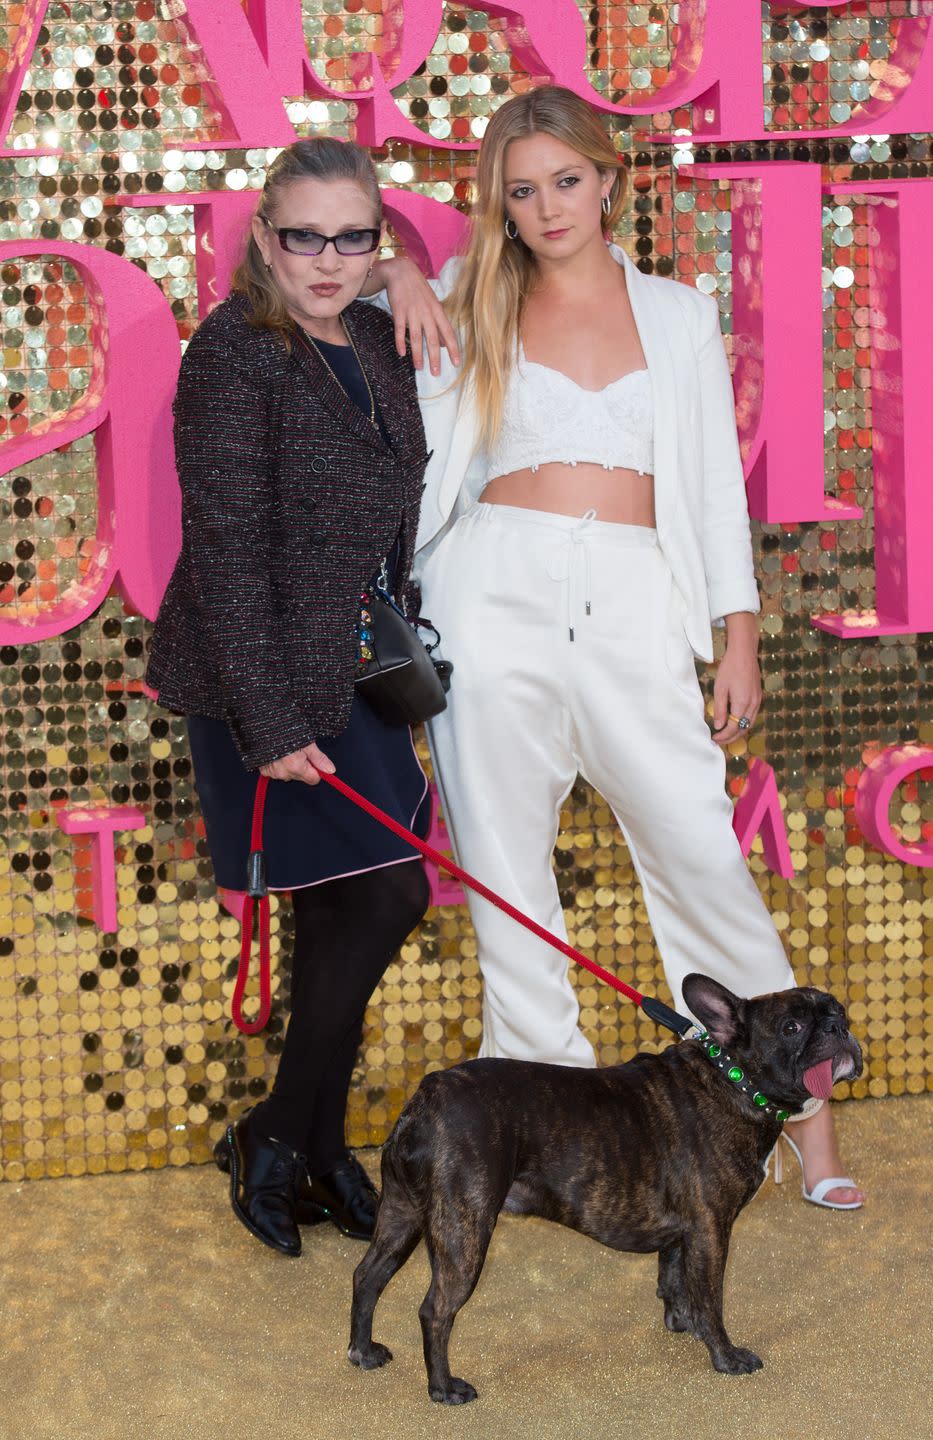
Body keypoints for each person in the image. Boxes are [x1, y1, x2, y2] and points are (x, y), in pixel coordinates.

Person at [369, 85, 863, 1209]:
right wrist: (401, 271)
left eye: (567, 181)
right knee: (507, 873)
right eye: (523, 189)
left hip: (639, 599)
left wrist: (737, 635)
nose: (548, 207)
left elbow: (713, 493)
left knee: (698, 850)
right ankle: (541, 1143)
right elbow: (341, 289)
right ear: (500, 201)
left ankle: (804, 1118)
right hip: (492, 590)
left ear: (609, 180)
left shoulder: (680, 315)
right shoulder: (467, 295)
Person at [146, 137, 434, 1257]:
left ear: (375, 239)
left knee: (354, 908)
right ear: (265, 238)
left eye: (351, 236)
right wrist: (269, 725)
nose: (325, 259)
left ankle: (299, 1141)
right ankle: (289, 1140)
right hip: (256, 672)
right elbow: (223, 550)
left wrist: (405, 270)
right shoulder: (233, 353)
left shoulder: (375, 325)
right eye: (302, 236)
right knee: (384, 898)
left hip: (357, 666)